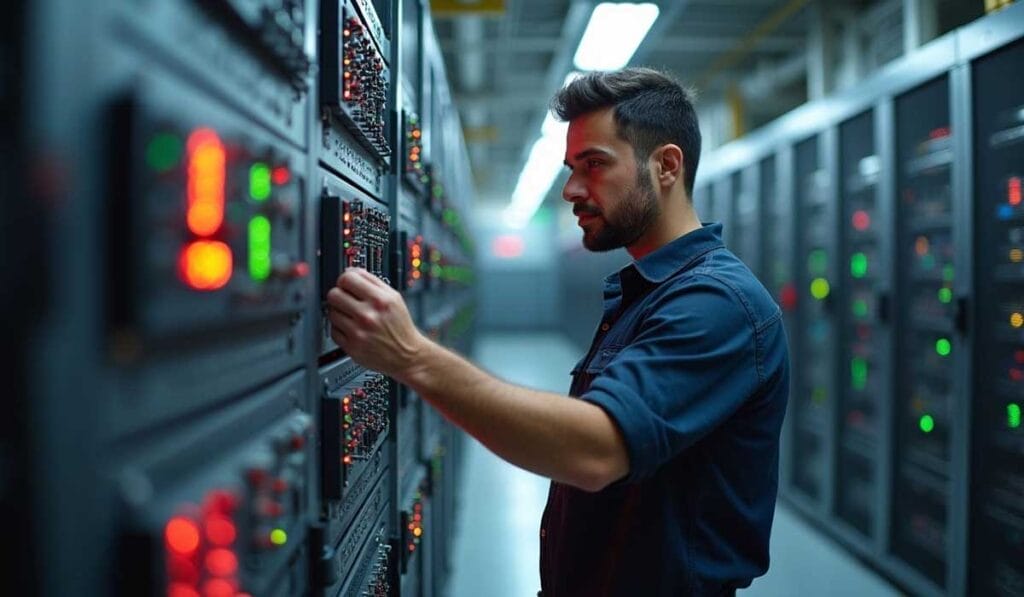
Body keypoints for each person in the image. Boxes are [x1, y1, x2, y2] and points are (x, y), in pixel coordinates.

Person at [326, 67, 789, 597]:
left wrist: (413, 357)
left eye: (594, 164)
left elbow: (594, 450)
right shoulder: (649, 292)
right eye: (571, 167)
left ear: (665, 166)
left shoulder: (716, 304)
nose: (571, 189)